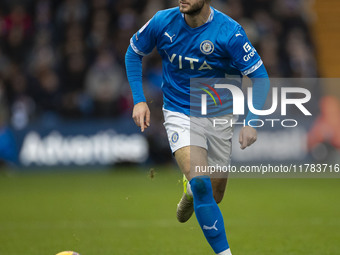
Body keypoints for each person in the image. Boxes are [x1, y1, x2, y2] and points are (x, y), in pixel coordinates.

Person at [125, 0, 270, 254]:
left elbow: (260, 78)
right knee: (203, 182)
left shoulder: (230, 32)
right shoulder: (162, 21)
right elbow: (133, 52)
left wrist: (251, 123)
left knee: (214, 194)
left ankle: (191, 189)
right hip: (179, 111)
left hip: (219, 115)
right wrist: (139, 100)